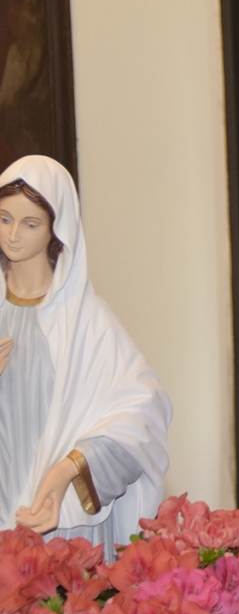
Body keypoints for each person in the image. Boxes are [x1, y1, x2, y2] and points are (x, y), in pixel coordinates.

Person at [0, 155, 171, 560]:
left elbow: (144, 409)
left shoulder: (85, 321)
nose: (13, 235)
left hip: (60, 522)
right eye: (4, 219)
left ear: (56, 229)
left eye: (30, 223)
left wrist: (69, 469)